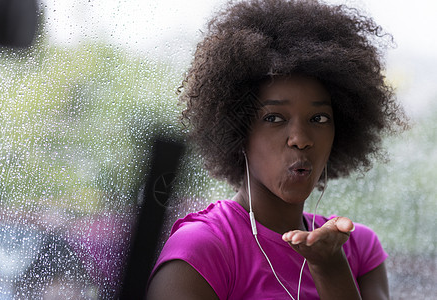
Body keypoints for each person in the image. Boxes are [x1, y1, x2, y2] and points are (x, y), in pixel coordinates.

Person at [147, 0, 407, 299]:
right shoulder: (204, 248)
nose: (300, 138)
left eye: (319, 118)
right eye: (274, 118)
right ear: (238, 131)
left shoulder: (357, 247)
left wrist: (331, 267)